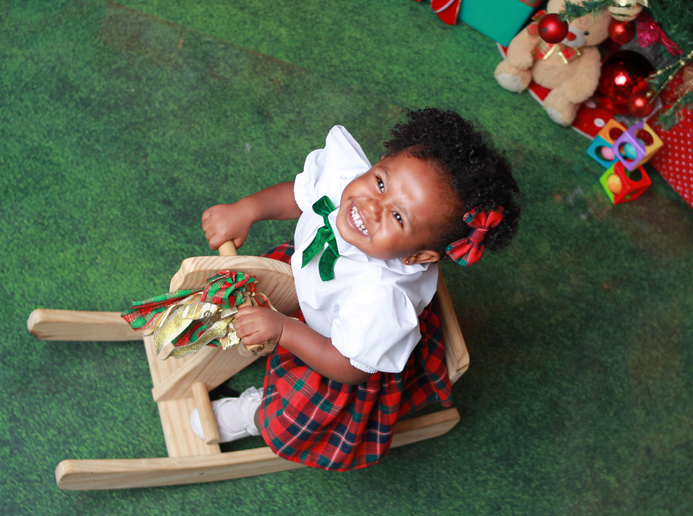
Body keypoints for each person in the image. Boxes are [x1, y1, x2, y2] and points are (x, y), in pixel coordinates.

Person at [194, 108, 521, 470]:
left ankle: (257, 413)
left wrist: (285, 329)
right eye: (381, 182)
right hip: (313, 279)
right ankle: (217, 329)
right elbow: (301, 195)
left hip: (339, 344)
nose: (370, 207)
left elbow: (348, 367)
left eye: (398, 217)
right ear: (380, 163)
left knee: (300, 414)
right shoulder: (351, 182)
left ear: (418, 256)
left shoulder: (382, 298)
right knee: (248, 284)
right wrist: (247, 209)